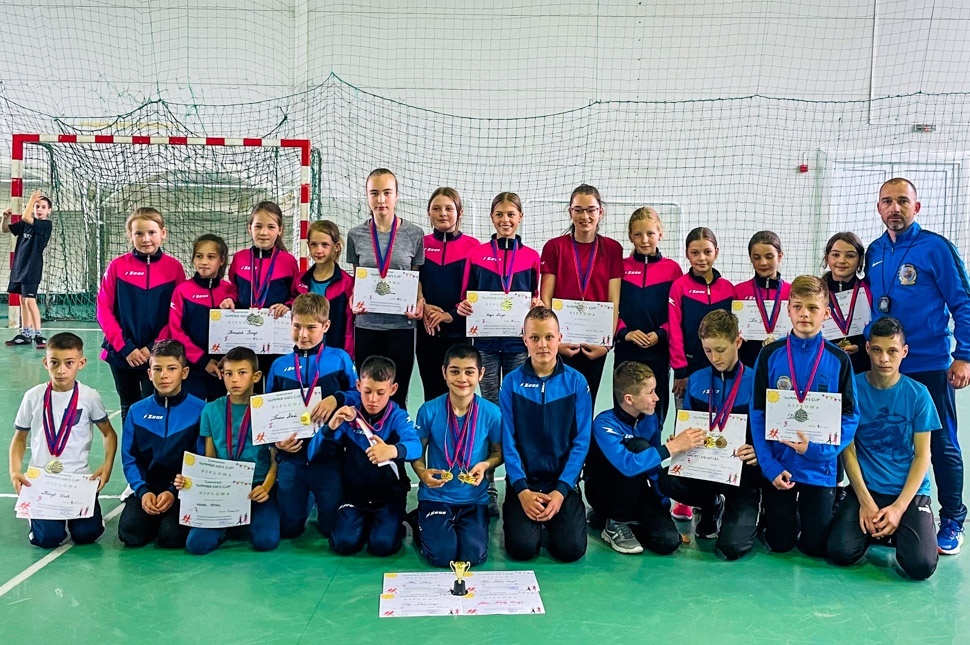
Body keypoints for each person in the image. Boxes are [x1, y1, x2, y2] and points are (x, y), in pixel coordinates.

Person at [864, 177, 970, 555]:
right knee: (889, 437)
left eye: (902, 201)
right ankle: (896, 512)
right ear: (879, 208)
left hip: (928, 365)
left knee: (940, 442)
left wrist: (964, 354)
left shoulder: (936, 248)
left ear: (916, 207)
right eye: (887, 202)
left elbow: (963, 301)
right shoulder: (874, 251)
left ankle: (953, 518)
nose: (895, 208)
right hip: (886, 365)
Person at [751, 276, 859, 557]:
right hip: (780, 466)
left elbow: (850, 417)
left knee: (814, 547)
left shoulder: (839, 359)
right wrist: (769, 466)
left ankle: (830, 501)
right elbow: (758, 412)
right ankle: (778, 515)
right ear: (788, 309)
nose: (804, 314)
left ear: (826, 313)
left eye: (813, 308)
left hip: (820, 467)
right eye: (798, 306)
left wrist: (818, 450)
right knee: (780, 544)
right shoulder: (769, 355)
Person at [826, 317, 939, 579]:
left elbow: (923, 456)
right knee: (840, 551)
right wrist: (866, 502)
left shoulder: (918, 394)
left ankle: (903, 525)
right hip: (868, 489)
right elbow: (848, 450)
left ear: (904, 352)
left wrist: (899, 508)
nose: (884, 359)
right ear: (867, 349)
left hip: (908, 493)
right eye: (877, 350)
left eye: (892, 351)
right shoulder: (852, 389)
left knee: (921, 565)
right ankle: (877, 528)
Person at [458, 191, 541, 515]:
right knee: (491, 411)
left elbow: (536, 297)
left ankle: (524, 483)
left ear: (520, 217)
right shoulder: (477, 255)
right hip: (487, 346)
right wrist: (463, 306)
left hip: (519, 347)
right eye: (499, 214)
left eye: (511, 214)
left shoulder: (531, 257)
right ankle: (489, 485)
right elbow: (465, 296)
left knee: (519, 409)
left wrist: (536, 304)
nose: (505, 220)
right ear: (492, 217)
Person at [658, 310, 762, 560]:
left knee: (731, 548)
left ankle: (750, 507)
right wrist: (679, 441)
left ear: (738, 341)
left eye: (721, 350)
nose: (714, 358)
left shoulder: (756, 382)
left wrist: (759, 451)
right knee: (666, 479)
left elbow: (769, 431)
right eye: (708, 351)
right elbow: (688, 428)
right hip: (705, 468)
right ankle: (711, 504)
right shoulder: (696, 381)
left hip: (742, 473)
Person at [8, 332, 116, 548]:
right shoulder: (33, 396)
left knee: (87, 534)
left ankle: (90, 518)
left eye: (69, 363)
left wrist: (107, 465)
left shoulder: (89, 397)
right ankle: (39, 519)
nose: (61, 370)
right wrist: (14, 470)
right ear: (45, 362)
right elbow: (20, 438)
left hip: (78, 480)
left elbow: (109, 433)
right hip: (41, 480)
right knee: (47, 539)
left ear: (81, 363)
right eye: (54, 363)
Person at [500, 306, 591, 562]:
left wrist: (561, 490)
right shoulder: (511, 383)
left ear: (560, 338)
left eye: (549, 337)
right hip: (525, 482)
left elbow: (581, 441)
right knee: (521, 549)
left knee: (571, 549)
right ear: (525, 340)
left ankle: (555, 522)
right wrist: (522, 490)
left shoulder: (577, 382)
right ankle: (529, 519)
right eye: (535, 337)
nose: (542, 345)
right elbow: (508, 440)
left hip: (561, 482)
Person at [265, 293, 359, 538]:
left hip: (328, 456)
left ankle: (320, 498)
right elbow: (267, 413)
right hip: (292, 458)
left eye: (311, 328)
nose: (303, 335)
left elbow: (358, 395)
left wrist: (337, 398)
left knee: (331, 529)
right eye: (297, 326)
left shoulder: (339, 359)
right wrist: (277, 443)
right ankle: (304, 498)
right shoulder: (278, 366)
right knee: (289, 530)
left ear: (326, 326)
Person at [586, 361, 704, 556]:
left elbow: (653, 466)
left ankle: (618, 521)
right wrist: (672, 447)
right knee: (638, 447)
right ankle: (615, 522)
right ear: (629, 399)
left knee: (669, 542)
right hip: (605, 492)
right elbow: (628, 465)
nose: (656, 398)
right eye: (650, 392)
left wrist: (662, 506)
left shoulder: (650, 418)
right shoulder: (604, 423)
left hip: (637, 491)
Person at [308, 356, 421, 557]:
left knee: (382, 546)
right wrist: (330, 427)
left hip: (389, 495)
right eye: (367, 391)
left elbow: (416, 447)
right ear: (359, 386)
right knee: (343, 544)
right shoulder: (348, 416)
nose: (373, 399)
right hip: (355, 496)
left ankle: (391, 524)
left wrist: (392, 450)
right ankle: (368, 524)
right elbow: (312, 453)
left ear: (393, 389)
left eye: (380, 393)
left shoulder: (398, 417)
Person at [176, 347, 280, 554]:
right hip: (223, 487)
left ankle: (244, 520)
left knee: (266, 541)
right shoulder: (211, 410)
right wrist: (193, 481)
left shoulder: (266, 409)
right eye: (228, 374)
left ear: (256, 376)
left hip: (257, 485)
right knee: (196, 545)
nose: (235, 380)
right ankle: (229, 524)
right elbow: (209, 458)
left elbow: (275, 460)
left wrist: (266, 487)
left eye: (242, 373)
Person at [411, 344, 503, 567]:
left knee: (474, 556)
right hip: (435, 496)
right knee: (442, 555)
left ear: (481, 374)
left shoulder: (492, 413)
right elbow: (416, 452)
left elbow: (499, 453)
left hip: (474, 499)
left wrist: (485, 465)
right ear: (444, 372)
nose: (462, 378)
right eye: (455, 371)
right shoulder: (429, 410)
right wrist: (422, 473)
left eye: (469, 372)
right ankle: (419, 521)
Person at [667, 227, 735, 521]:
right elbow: (674, 329)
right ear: (687, 254)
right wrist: (680, 370)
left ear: (716, 252)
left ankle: (716, 494)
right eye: (695, 253)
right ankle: (684, 498)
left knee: (718, 429)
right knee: (688, 430)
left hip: (721, 372)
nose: (701, 258)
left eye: (707, 252)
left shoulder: (729, 289)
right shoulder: (679, 287)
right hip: (689, 372)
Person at [346, 169, 426, 410]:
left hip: (401, 326)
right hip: (367, 325)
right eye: (374, 193)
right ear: (367, 196)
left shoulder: (414, 234)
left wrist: (420, 301)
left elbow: (415, 276)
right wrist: (354, 298)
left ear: (396, 196)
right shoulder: (355, 235)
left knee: (397, 396)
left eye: (387, 193)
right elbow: (358, 276)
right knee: (369, 395)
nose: (381, 199)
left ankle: (395, 436)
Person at [97, 207, 186, 422]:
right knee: (128, 405)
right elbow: (103, 309)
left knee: (153, 404)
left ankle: (151, 444)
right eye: (139, 233)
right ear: (130, 236)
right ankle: (130, 444)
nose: (146, 239)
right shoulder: (117, 266)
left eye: (151, 232)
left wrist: (153, 347)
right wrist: (125, 347)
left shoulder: (174, 268)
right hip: (122, 353)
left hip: (156, 354)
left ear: (163, 233)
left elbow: (176, 314)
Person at [117, 340, 205, 549]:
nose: (164, 375)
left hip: (181, 490)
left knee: (171, 538)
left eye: (171, 368)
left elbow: (200, 458)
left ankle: (165, 520)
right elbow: (130, 458)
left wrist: (173, 492)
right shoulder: (137, 411)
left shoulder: (201, 410)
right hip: (147, 489)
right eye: (157, 369)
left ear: (184, 372)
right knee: (130, 534)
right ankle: (150, 514)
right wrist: (142, 491)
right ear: (149, 374)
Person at [540, 184, 623, 403]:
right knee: (558, 403)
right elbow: (546, 297)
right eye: (578, 210)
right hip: (561, 342)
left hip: (595, 343)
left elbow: (614, 300)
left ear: (600, 212)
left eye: (590, 210)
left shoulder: (612, 249)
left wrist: (606, 344)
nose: (584, 216)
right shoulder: (554, 247)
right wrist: (553, 341)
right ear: (570, 211)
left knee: (587, 401)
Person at [614, 206, 683, 427]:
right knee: (624, 412)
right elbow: (611, 307)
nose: (644, 240)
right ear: (630, 236)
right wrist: (625, 333)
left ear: (660, 234)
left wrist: (660, 334)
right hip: (626, 351)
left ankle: (653, 448)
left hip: (658, 353)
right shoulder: (620, 267)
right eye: (638, 234)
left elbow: (677, 313)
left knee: (654, 413)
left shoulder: (673, 269)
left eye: (650, 233)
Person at [223, 200, 300, 384]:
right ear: (249, 228)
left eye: (271, 227)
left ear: (280, 230)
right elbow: (234, 289)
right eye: (258, 226)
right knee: (247, 387)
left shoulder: (288, 261)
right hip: (245, 336)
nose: (264, 232)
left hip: (276, 338)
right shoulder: (240, 258)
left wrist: (288, 306)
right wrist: (229, 299)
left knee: (275, 386)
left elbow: (296, 295)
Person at [417, 187, 479, 401]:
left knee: (460, 394)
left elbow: (475, 291)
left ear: (460, 212)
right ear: (429, 212)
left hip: (459, 332)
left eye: (448, 208)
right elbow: (413, 280)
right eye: (436, 208)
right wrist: (424, 306)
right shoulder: (420, 244)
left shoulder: (473, 246)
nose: (442, 213)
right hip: (427, 330)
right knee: (432, 394)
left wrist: (449, 315)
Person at [168, 234, 237, 401]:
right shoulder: (182, 291)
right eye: (199, 256)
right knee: (192, 410)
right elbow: (176, 331)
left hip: (221, 367)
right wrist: (203, 360)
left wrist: (227, 359)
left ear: (221, 260)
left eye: (211, 257)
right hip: (192, 367)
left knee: (216, 410)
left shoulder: (230, 291)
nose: (204, 262)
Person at [294, 220, 355, 356]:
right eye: (314, 244)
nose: (318, 250)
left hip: (335, 355)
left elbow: (349, 327)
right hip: (304, 354)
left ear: (336, 247)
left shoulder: (347, 283)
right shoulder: (299, 281)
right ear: (308, 245)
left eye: (325, 245)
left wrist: (346, 356)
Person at [3, 190, 53, 348]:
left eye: (43, 207)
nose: (39, 209)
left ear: (49, 211)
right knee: (22, 300)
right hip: (19, 267)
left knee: (30, 300)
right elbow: (5, 229)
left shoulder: (45, 225)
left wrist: (31, 200)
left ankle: (38, 335)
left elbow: (25, 216)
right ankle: (26, 334)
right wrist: (5, 218)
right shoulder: (26, 224)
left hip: (32, 268)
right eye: (37, 206)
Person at [734, 231, 791, 368]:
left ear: (780, 256)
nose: (763, 262)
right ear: (750, 258)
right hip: (748, 364)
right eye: (757, 257)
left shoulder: (792, 291)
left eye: (769, 257)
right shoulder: (739, 291)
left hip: (784, 362)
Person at [821, 232, 871, 374]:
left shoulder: (869, 289)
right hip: (824, 362)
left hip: (862, 365)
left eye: (850, 256)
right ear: (827, 258)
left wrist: (860, 346)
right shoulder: (817, 292)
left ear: (860, 260)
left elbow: (877, 325)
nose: (842, 260)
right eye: (835, 255)